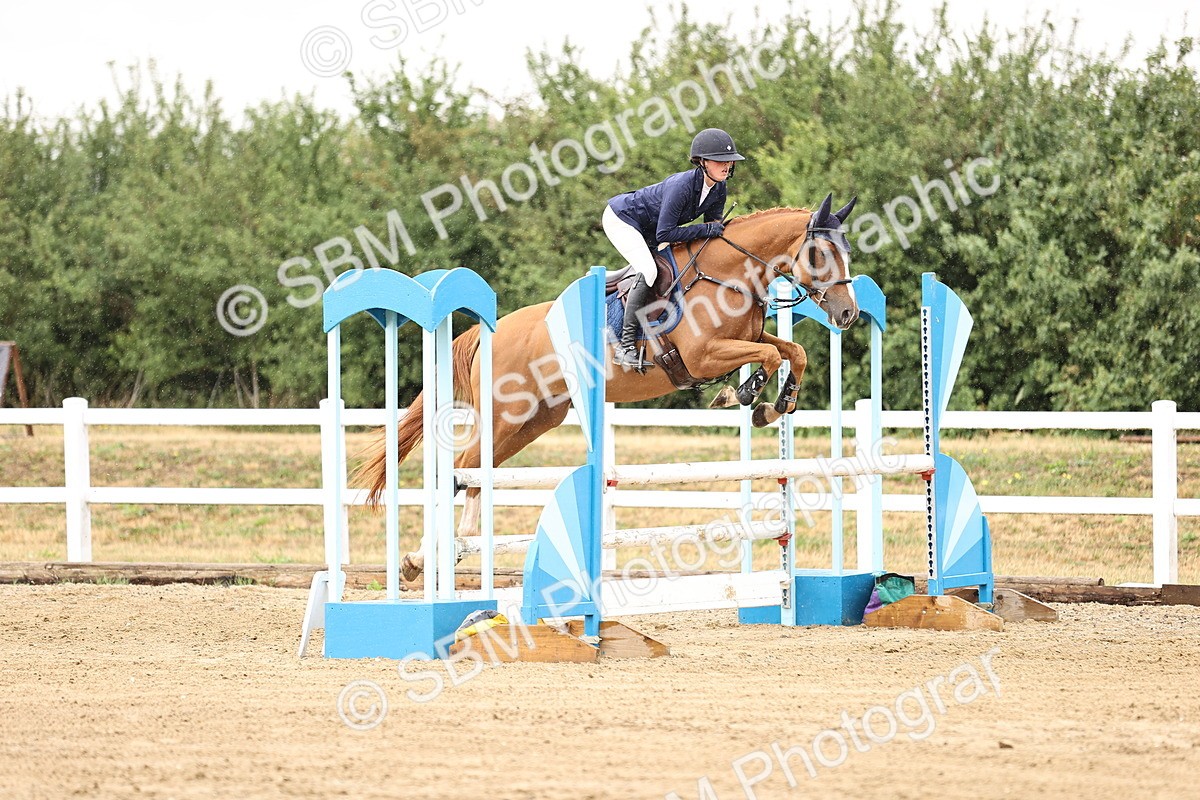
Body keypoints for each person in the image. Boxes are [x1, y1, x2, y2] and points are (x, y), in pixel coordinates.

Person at [603, 128, 745, 369]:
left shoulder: (719, 189)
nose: (727, 166)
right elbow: (665, 233)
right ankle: (625, 347)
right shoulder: (683, 186)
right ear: (702, 162)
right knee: (648, 271)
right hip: (623, 219)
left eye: (729, 161)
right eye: (720, 161)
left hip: (648, 228)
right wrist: (706, 230)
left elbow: (712, 230)